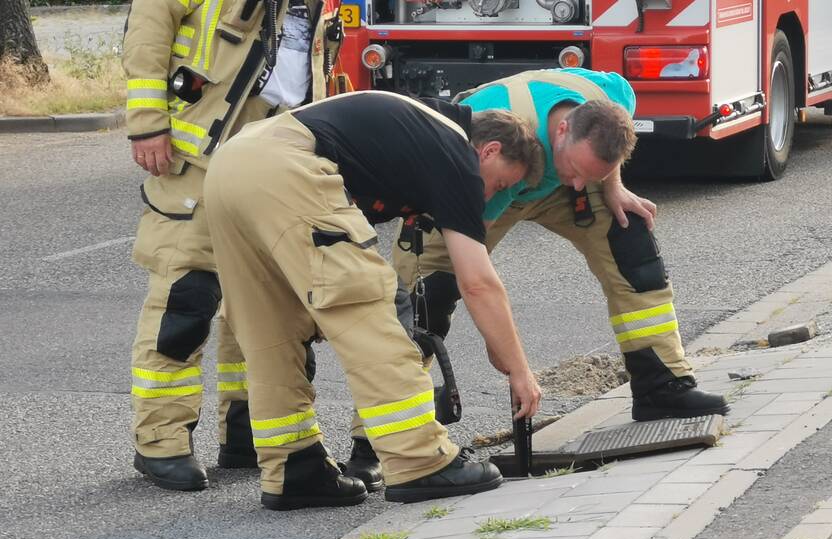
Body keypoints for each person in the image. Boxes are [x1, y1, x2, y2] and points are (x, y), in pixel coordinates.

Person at [346, 68, 729, 471]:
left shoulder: (611, 98)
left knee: (630, 240)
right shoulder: (499, 143)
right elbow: (477, 278)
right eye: (576, 169)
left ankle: (662, 386)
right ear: (561, 131)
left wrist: (611, 185)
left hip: (546, 187)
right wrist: (502, 345)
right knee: (425, 302)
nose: (579, 185)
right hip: (484, 188)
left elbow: (602, 148)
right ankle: (375, 439)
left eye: (589, 175)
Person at [204, 91, 544, 510]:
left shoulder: (418, 124)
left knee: (271, 326)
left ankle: (294, 466)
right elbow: (477, 282)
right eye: (500, 183)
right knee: (369, 309)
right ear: (488, 151)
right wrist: (519, 370)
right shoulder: (457, 153)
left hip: (229, 166)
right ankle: (420, 459)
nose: (490, 196)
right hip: (286, 167)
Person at [123, 0, 347, 491]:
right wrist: (147, 121)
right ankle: (161, 440)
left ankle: (247, 429)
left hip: (280, 155)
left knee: (267, 300)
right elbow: (148, 28)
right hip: (200, 153)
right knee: (185, 296)